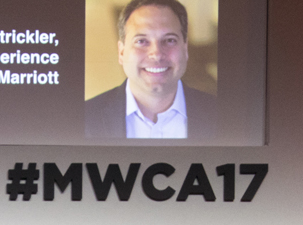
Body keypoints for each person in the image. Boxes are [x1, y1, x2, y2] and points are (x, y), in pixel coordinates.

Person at [84, 0, 218, 140]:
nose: (157, 54)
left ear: (185, 50)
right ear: (122, 52)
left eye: (169, 40)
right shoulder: (84, 118)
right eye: (141, 41)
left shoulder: (224, 115)